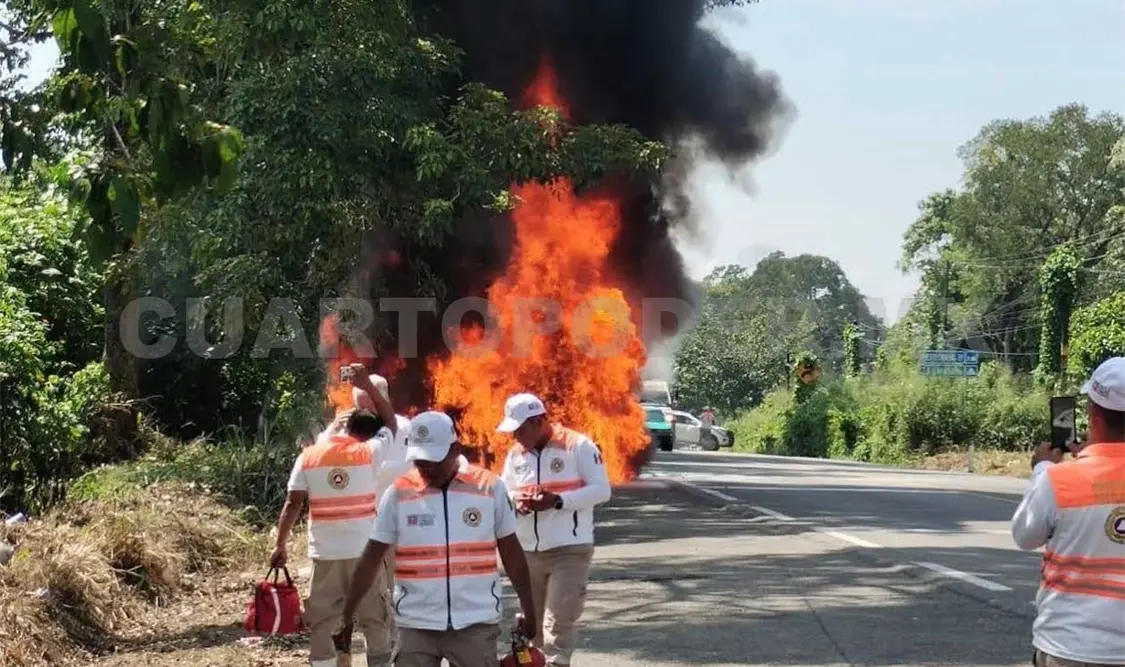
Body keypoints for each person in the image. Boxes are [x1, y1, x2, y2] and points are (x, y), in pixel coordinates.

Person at [341, 411, 537, 667]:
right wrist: (346, 615)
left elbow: (512, 555)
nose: (427, 468)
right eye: (420, 461)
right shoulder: (398, 493)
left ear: (455, 449)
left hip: (474, 623)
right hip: (415, 625)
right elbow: (371, 557)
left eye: (435, 460)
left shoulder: (490, 487)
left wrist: (530, 611)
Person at [272, 381, 397, 667]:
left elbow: (292, 504)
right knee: (374, 620)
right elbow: (390, 422)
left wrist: (280, 545)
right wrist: (368, 385)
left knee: (323, 624)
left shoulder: (308, 456)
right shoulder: (368, 453)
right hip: (365, 555)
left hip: (325, 556)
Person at [1011, 356, 1125, 667]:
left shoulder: (1059, 479)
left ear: (1093, 415)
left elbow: (1025, 536)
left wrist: (1043, 469)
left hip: (1070, 645)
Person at [497, 393, 611, 667]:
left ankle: (558, 663)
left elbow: (601, 490)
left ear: (538, 421)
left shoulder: (578, 446)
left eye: (520, 430)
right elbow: (504, 491)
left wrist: (558, 501)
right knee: (532, 624)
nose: (515, 437)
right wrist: (517, 501)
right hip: (528, 551)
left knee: (558, 621)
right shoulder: (516, 455)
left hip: (569, 550)